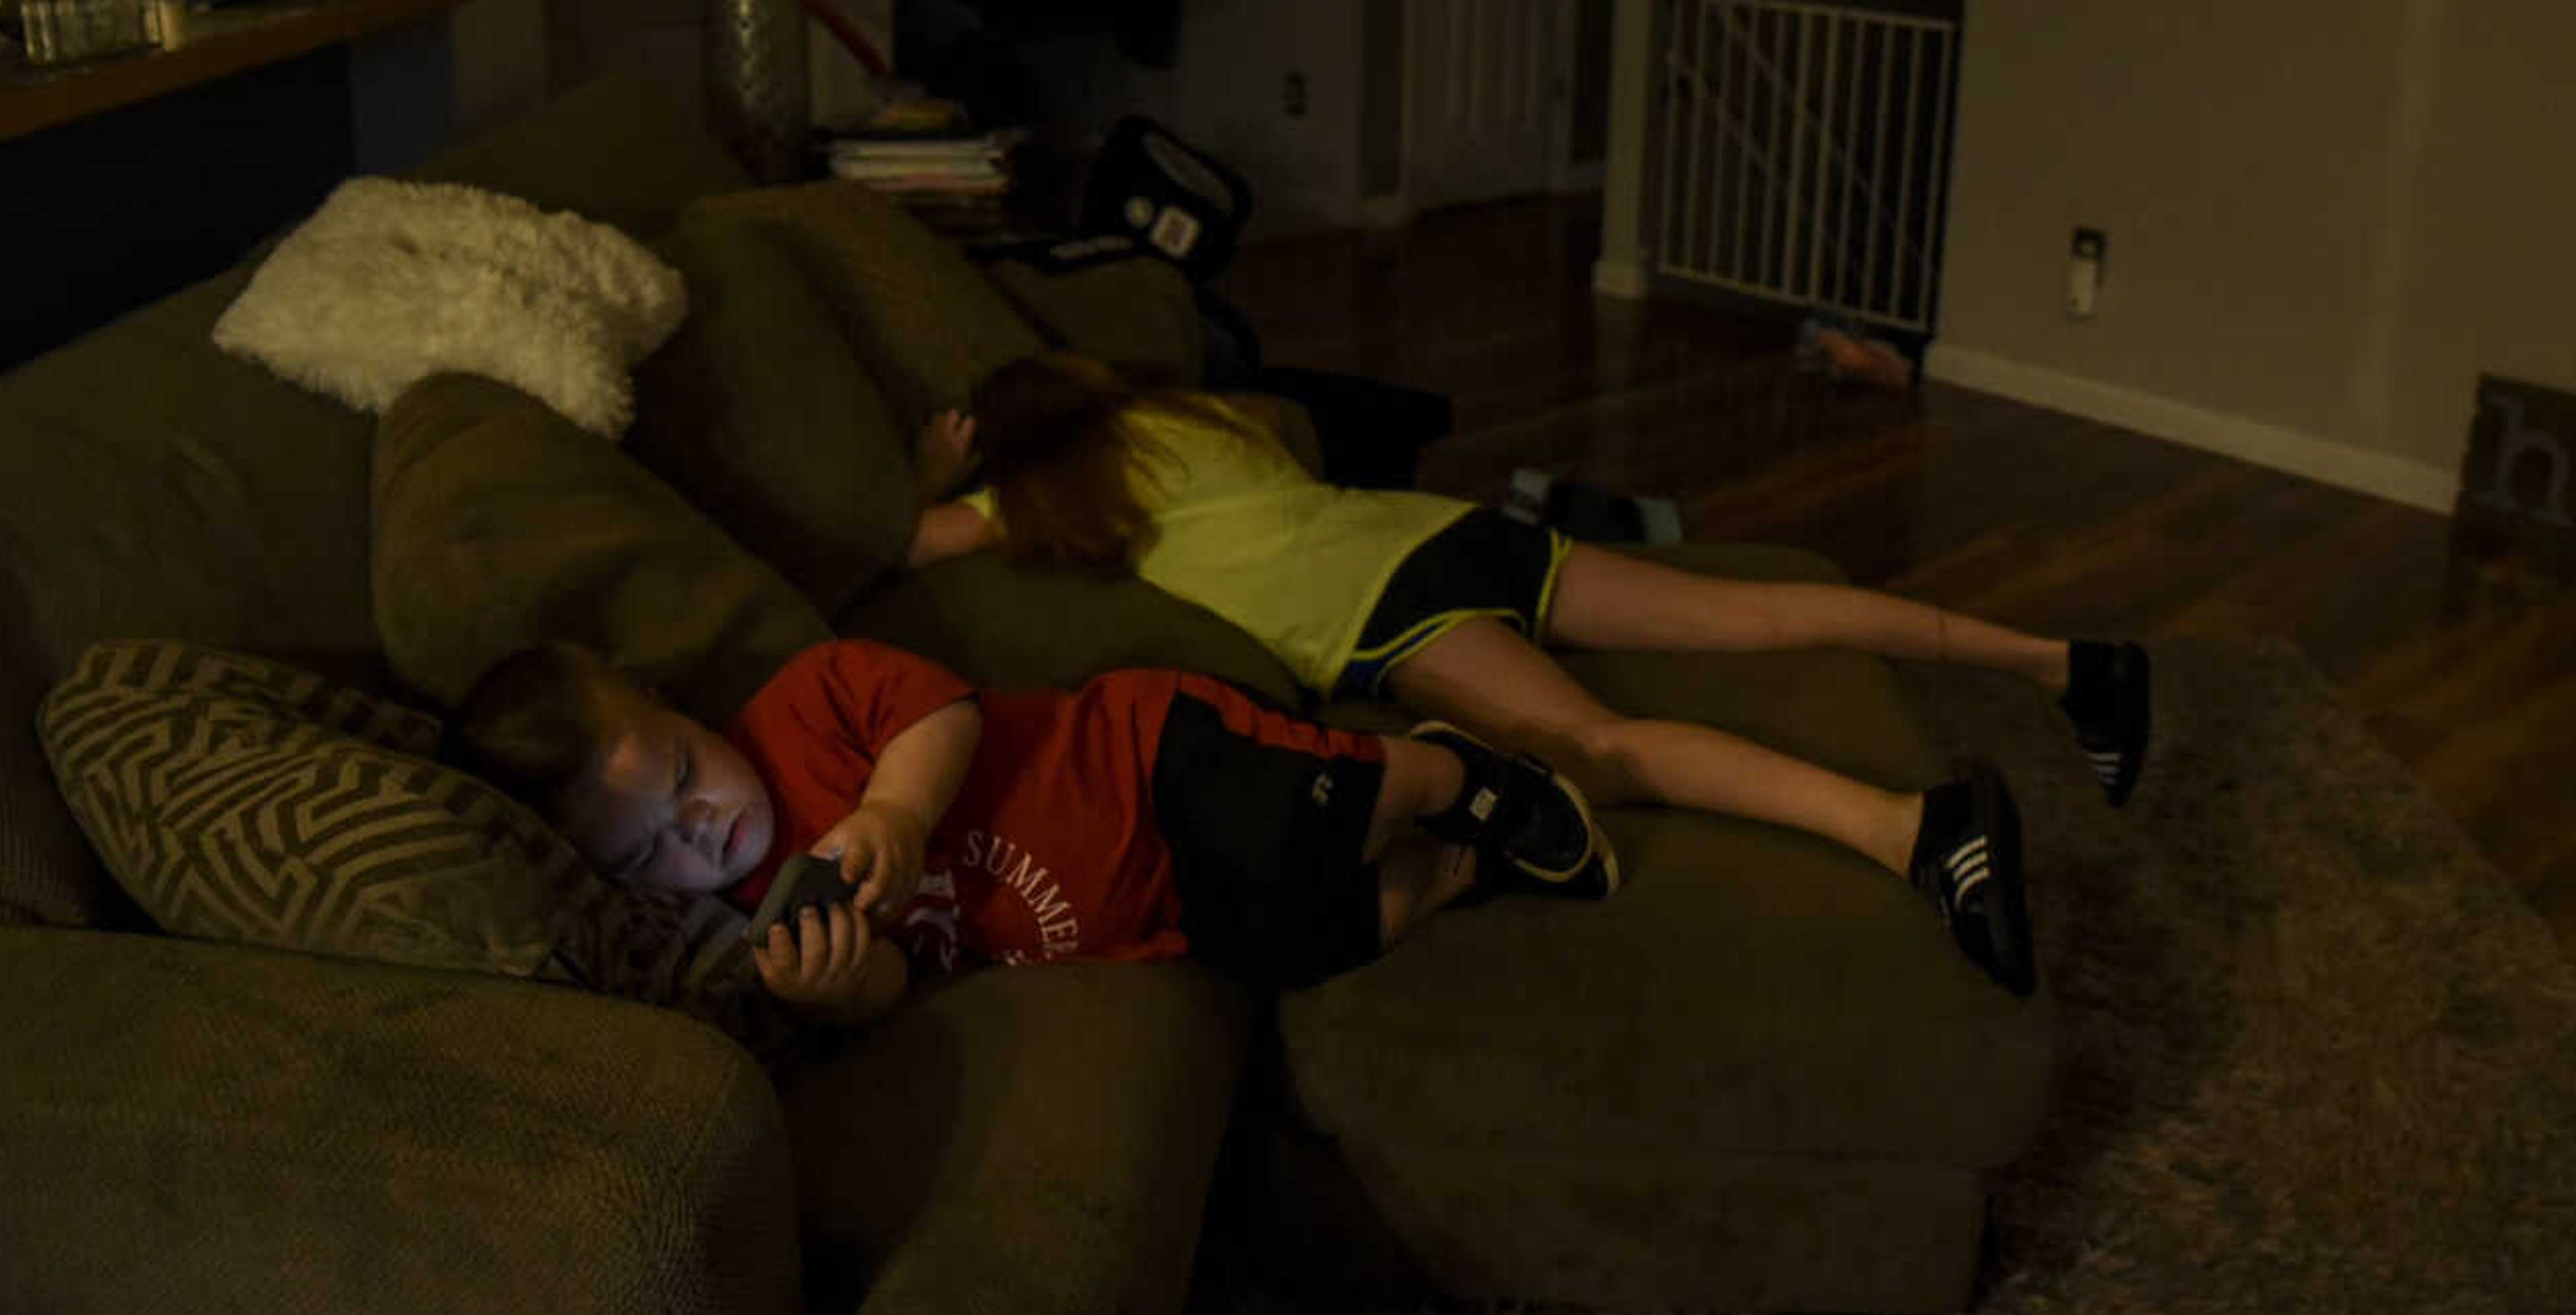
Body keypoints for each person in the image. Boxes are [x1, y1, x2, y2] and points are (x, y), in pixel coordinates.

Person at [903, 354, 2137, 998]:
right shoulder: (1187, 417)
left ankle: (1918, 829)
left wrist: (935, 461)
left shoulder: (1040, 495)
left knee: (1608, 751)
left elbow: (907, 543)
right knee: (1752, 611)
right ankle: (2065, 666)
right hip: (1447, 532)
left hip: (1390, 617)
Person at [443, 632, 1622, 1026]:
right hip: (1145, 915)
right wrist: (839, 987)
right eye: (648, 850)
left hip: (1144, 767)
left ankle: (1450, 774)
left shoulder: (807, 702)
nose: (698, 833)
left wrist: (895, 808)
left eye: (686, 775)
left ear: (683, 707)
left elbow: (937, 706)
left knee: (1307, 817)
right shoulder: (759, 917)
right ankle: (1460, 866)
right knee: (1312, 940)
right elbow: (898, 981)